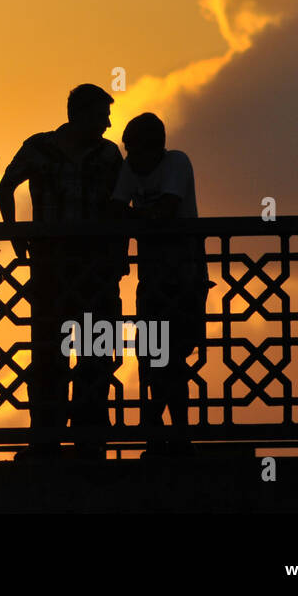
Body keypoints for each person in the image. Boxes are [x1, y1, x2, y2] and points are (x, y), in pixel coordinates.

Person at [0, 84, 127, 459]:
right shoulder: (39, 146)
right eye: (102, 115)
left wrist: (118, 254)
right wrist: (14, 230)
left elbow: (120, 204)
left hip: (96, 267)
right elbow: (6, 187)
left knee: (96, 355)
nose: (106, 123)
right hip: (51, 266)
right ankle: (46, 440)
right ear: (80, 114)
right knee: (48, 355)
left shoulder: (107, 154)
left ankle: (88, 440)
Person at [110, 113, 211, 456]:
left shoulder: (176, 162)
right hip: (152, 276)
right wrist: (143, 218)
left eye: (135, 151)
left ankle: (171, 431)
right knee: (152, 355)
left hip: (186, 271)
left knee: (177, 353)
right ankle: (160, 433)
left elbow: (167, 210)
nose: (130, 158)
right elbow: (116, 207)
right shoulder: (131, 167)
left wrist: (136, 217)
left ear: (156, 148)